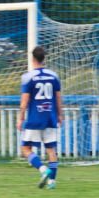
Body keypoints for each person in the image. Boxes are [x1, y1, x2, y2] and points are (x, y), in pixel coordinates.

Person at [16, 46, 62, 189]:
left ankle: (43, 170)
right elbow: (58, 96)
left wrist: (20, 118)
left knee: (25, 148)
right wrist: (60, 115)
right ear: (44, 58)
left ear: (32, 59)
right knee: (51, 150)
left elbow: (25, 101)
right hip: (50, 116)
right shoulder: (53, 75)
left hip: (35, 117)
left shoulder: (28, 77)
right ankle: (52, 182)